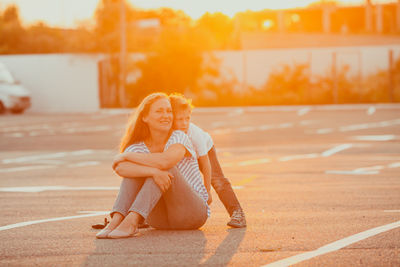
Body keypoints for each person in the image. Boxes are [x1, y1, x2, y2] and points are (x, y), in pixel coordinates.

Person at [96, 92, 210, 239]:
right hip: (159, 221)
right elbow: (121, 168)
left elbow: (165, 161)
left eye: (169, 111)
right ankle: (117, 219)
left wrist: (127, 156)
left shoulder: (179, 136)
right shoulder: (138, 146)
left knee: (164, 168)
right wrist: (153, 172)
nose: (166, 115)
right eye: (159, 111)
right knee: (142, 171)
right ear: (145, 117)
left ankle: (132, 221)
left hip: (192, 213)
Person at [169, 93, 246, 228]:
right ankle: (145, 216)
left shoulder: (195, 134)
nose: (185, 123)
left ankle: (237, 213)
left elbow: (205, 164)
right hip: (182, 153)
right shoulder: (168, 131)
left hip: (205, 151)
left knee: (217, 179)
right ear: (171, 119)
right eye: (180, 119)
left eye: (187, 118)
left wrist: (207, 191)